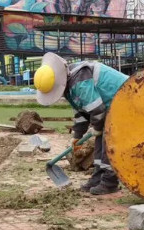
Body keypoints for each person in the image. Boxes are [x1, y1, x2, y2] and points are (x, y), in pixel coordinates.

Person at [34, 52, 129, 195]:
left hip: (127, 100)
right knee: (99, 140)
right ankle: (98, 177)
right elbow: (81, 113)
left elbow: (97, 109)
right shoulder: (70, 83)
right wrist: (77, 136)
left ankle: (110, 182)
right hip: (111, 106)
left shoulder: (80, 80)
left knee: (108, 140)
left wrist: (97, 127)